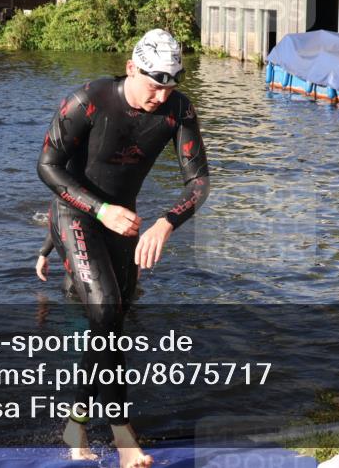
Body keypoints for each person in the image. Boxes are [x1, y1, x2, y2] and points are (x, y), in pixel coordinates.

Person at [36, 28, 209, 468]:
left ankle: (76, 421)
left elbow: (200, 182)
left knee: (111, 324)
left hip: (124, 223)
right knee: (107, 311)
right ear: (131, 69)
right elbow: (48, 167)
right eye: (153, 86)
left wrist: (167, 222)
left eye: (168, 88)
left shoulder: (178, 109)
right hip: (78, 214)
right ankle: (120, 430)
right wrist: (99, 210)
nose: (159, 97)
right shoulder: (87, 101)